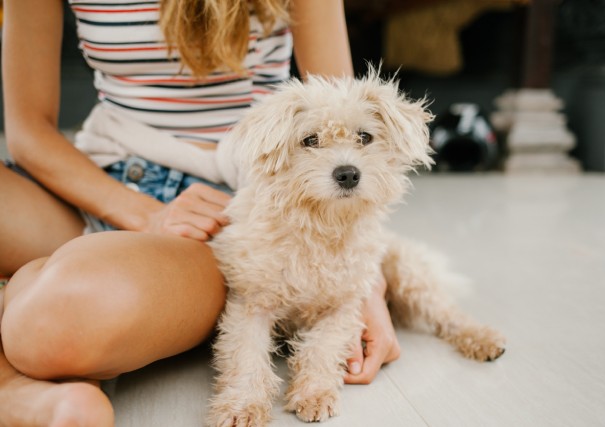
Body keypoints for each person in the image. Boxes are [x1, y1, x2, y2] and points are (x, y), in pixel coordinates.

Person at [0, 0, 401, 425]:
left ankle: (13, 384)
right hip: (93, 183)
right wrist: (143, 213)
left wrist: (362, 287)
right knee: (43, 306)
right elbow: (28, 131)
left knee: (52, 323)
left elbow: (344, 128)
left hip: (226, 215)